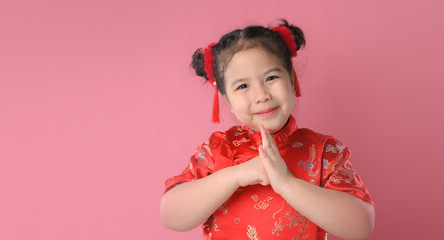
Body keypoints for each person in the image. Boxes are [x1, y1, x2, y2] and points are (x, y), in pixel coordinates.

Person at [160, 20, 375, 240]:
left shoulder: (323, 152)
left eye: (271, 78)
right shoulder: (218, 149)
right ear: (227, 99)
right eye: (243, 86)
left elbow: (360, 227)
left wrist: (287, 183)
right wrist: (235, 175)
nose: (261, 94)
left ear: (291, 79)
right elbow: (171, 215)